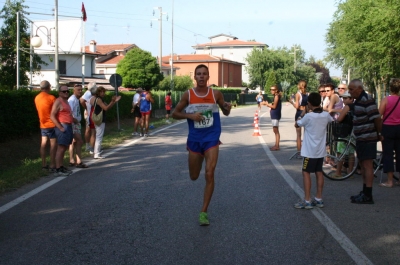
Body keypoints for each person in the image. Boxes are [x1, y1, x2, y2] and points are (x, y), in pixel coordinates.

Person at [172, 64, 231, 226]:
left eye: (204, 74)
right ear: (195, 77)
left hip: (211, 138)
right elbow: (174, 114)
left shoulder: (216, 94)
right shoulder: (188, 95)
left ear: (208, 76)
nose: (201, 76)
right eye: (199, 74)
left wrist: (227, 108)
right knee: (194, 176)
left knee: (210, 173)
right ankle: (196, 168)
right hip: (194, 139)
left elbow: (225, 111)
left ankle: (203, 212)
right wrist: (190, 116)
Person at [294, 92, 333, 209]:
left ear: (309, 104)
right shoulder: (325, 115)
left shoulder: (308, 116)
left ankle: (307, 200)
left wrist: (302, 114)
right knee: (319, 172)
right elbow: (331, 120)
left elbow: (297, 124)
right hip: (320, 151)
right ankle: (319, 198)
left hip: (309, 151)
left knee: (306, 173)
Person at [348, 79, 382, 204]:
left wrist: (379, 133)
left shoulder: (367, 99)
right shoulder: (358, 101)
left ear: (359, 89)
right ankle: (364, 191)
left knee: (367, 166)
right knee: (362, 164)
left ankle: (368, 195)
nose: (350, 92)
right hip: (361, 138)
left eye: (351, 89)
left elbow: (377, 118)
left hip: (368, 138)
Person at [378, 78, 400, 187]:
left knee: (388, 154)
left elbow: (379, 115)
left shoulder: (385, 100)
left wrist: (378, 131)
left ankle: (390, 180)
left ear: (390, 88)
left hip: (388, 128)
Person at [89, 86, 121, 159]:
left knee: (98, 135)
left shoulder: (100, 99)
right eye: (101, 92)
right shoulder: (99, 100)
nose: (103, 93)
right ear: (98, 93)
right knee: (99, 136)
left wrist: (114, 101)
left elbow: (108, 107)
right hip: (100, 119)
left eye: (104, 92)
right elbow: (106, 108)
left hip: (99, 119)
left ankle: (96, 152)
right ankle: (96, 153)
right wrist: (113, 101)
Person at [50, 85, 74, 176]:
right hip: (63, 126)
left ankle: (61, 165)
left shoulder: (66, 101)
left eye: (67, 91)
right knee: (61, 148)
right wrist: (60, 127)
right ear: (59, 93)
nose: (66, 93)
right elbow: (52, 115)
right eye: (64, 91)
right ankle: (58, 168)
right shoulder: (58, 101)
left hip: (68, 125)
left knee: (64, 147)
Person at [34, 80, 57, 172]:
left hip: (42, 124)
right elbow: (56, 111)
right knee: (53, 145)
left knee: (43, 144)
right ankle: (52, 164)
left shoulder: (37, 98)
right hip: (52, 124)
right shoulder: (52, 97)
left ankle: (43, 164)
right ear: (48, 87)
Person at [334, 91, 356, 178]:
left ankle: (338, 172)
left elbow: (339, 119)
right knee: (351, 153)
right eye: (343, 98)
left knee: (340, 152)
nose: (344, 100)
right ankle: (350, 172)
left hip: (345, 132)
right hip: (353, 132)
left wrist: (338, 119)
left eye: (346, 98)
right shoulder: (356, 106)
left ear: (351, 99)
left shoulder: (348, 107)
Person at [68, 84, 88, 168]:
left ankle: (72, 160)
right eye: (78, 90)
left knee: (74, 142)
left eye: (81, 90)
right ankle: (79, 161)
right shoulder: (72, 100)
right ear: (74, 90)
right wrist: (74, 119)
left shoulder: (76, 99)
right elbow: (69, 111)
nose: (80, 91)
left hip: (77, 123)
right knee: (79, 141)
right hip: (74, 123)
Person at [290, 80, 308, 155]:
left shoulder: (298, 94)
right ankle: (306, 151)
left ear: (299, 86)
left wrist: (292, 102)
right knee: (306, 133)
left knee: (298, 135)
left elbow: (297, 106)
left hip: (299, 112)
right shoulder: (308, 94)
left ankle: (299, 152)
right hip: (306, 113)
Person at [80, 82, 97, 153]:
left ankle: (91, 145)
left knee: (90, 129)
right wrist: (86, 108)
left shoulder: (90, 93)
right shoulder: (88, 93)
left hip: (90, 112)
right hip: (89, 113)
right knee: (89, 129)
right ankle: (88, 146)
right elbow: (81, 100)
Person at [264, 85, 282, 151]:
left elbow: (274, 106)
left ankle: (277, 146)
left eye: (273, 89)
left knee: (276, 130)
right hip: (274, 115)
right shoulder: (275, 96)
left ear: (276, 90)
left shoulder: (276, 96)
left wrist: (267, 104)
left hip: (276, 115)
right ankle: (276, 145)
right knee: (275, 130)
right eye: (271, 89)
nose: (272, 91)